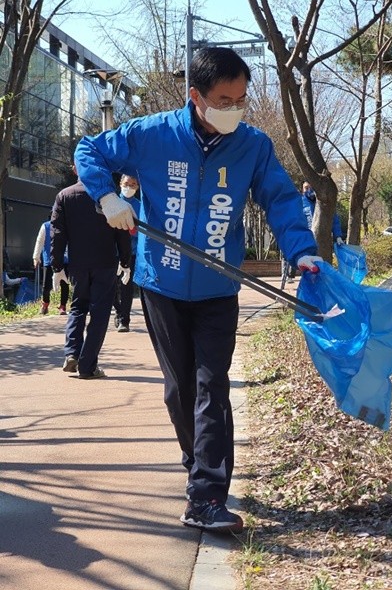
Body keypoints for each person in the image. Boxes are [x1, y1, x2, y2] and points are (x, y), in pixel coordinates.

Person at [74, 46, 321, 533]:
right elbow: (89, 149)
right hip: (162, 283)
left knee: (212, 384)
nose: (235, 108)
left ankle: (206, 495)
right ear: (197, 96)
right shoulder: (151, 134)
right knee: (179, 390)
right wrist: (105, 196)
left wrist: (301, 250)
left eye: (241, 99)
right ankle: (196, 457)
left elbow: (281, 199)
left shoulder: (252, 145)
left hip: (217, 285)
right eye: (225, 99)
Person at [50, 172, 131, 379]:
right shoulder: (110, 196)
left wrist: (57, 266)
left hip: (77, 263)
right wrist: (125, 261)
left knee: (78, 307)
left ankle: (71, 353)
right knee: (100, 313)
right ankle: (88, 365)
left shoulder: (64, 196)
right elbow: (122, 230)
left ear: (75, 170)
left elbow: (57, 232)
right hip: (105, 262)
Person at [285, 181, 344, 283]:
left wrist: (338, 235)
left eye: (310, 188)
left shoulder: (323, 203)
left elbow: (334, 219)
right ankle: (294, 277)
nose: (309, 190)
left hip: (323, 240)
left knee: (320, 262)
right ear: (303, 190)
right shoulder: (300, 203)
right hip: (306, 238)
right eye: (306, 188)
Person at [113, 175, 141, 333]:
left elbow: (142, 231)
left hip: (132, 253)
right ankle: (118, 310)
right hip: (112, 252)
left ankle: (125, 319)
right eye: (126, 184)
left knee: (126, 286)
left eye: (133, 185)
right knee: (110, 286)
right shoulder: (111, 203)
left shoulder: (140, 206)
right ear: (120, 184)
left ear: (137, 187)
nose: (129, 187)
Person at [33, 214, 70, 315]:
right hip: (48, 260)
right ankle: (45, 304)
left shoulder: (66, 226)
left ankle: (63, 306)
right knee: (46, 284)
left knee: (64, 284)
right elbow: (39, 241)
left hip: (64, 260)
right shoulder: (45, 226)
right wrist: (36, 257)